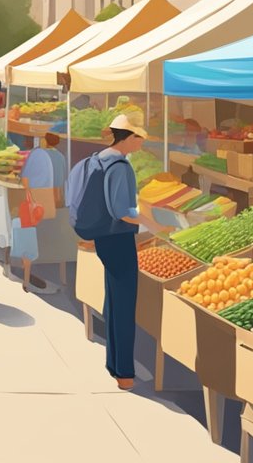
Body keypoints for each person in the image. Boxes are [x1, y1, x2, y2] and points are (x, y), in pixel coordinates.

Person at [68, 115, 172, 390]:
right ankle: (124, 373)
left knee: (114, 301)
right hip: (118, 238)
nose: (142, 141)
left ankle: (114, 363)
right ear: (128, 137)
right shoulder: (121, 167)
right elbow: (123, 213)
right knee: (124, 305)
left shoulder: (98, 158)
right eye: (139, 137)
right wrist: (155, 226)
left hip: (103, 236)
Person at [13, 132, 67, 294]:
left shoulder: (36, 155)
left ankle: (25, 275)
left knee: (20, 222)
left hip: (37, 203)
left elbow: (25, 181)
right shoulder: (62, 157)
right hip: (57, 202)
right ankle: (63, 275)